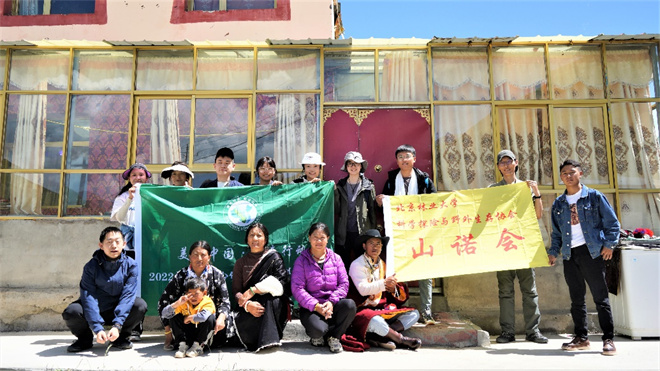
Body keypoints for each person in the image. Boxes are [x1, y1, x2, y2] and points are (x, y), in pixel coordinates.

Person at [548, 159, 620, 356]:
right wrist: (553, 251)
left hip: (593, 252)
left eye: (572, 172)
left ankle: (608, 339)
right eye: (564, 173)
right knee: (576, 298)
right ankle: (582, 338)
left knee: (600, 297)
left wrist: (609, 245)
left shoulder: (594, 197)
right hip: (570, 254)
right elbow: (556, 233)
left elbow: (612, 223)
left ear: (580, 173)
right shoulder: (559, 203)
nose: (568, 176)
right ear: (561, 178)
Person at [489, 150, 548, 344]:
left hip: (523, 244)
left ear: (516, 163)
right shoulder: (493, 189)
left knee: (529, 290)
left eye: (509, 161)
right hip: (503, 245)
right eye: (502, 162)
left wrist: (537, 193)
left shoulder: (526, 187)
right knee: (505, 291)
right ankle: (507, 332)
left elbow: (537, 215)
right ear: (498, 167)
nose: (506, 165)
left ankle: (533, 331)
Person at [375, 144, 437, 325]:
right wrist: (380, 201)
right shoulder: (391, 180)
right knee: (399, 271)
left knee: (425, 270)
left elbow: (434, 203)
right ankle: (402, 308)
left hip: (421, 232)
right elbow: (384, 205)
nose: (404, 159)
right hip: (399, 233)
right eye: (400, 156)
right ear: (397, 161)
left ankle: (426, 311)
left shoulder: (425, 180)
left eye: (407, 156)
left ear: (414, 159)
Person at [61, 226, 148, 353]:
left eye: (117, 242)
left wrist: (117, 325)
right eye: (109, 242)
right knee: (71, 311)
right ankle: (84, 340)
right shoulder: (91, 266)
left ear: (124, 244)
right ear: (101, 245)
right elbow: (88, 296)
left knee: (139, 305)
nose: (114, 245)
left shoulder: (131, 265)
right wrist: (97, 327)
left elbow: (127, 296)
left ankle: (121, 337)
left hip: (116, 311)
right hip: (96, 309)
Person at [347, 229, 422, 351]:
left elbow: (396, 291)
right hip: (364, 309)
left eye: (378, 244)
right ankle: (400, 339)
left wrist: (393, 289)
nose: (375, 247)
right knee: (375, 321)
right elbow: (363, 290)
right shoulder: (357, 264)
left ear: (382, 247)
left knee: (414, 314)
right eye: (371, 243)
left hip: (383, 309)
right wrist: (384, 284)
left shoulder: (384, 265)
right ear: (364, 246)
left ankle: (379, 336)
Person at [291, 222, 357, 353]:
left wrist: (331, 302)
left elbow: (344, 284)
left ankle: (334, 337)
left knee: (349, 305)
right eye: (315, 237)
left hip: (332, 305)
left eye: (322, 237)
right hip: (311, 308)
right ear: (309, 238)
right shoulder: (301, 260)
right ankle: (320, 335)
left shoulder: (336, 259)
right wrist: (316, 306)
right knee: (318, 330)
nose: (318, 241)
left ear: (328, 238)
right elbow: (297, 288)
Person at [158, 241, 231, 351]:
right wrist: (168, 332)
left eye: (203, 255)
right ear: (189, 257)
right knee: (173, 311)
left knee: (212, 317)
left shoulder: (217, 275)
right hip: (185, 323)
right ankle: (182, 342)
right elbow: (163, 302)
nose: (199, 259)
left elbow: (225, 302)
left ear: (209, 257)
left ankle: (201, 344)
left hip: (207, 325)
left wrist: (221, 318)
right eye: (195, 255)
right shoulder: (181, 276)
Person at [232, 223, 290, 352]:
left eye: (259, 235)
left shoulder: (274, 258)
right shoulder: (240, 263)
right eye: (252, 235)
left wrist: (254, 290)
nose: (255, 239)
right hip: (249, 307)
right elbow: (236, 292)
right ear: (247, 239)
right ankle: (259, 339)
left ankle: (269, 339)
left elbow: (281, 285)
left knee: (271, 300)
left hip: (272, 307)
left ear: (265, 239)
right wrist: (247, 305)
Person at [334, 151, 377, 268]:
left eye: (356, 164)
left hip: (362, 232)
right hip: (344, 233)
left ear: (361, 166)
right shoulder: (340, 186)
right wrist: (335, 193)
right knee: (344, 265)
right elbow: (336, 210)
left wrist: (372, 234)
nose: (353, 167)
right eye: (350, 164)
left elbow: (372, 211)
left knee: (363, 265)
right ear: (346, 167)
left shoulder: (368, 186)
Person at [161, 277, 216, 358]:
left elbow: (203, 317)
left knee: (210, 318)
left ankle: (198, 347)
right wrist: (176, 304)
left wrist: (189, 318)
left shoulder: (207, 302)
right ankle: (183, 345)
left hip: (201, 335)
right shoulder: (184, 301)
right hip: (188, 333)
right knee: (173, 315)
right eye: (190, 294)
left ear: (204, 293)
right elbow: (164, 314)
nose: (193, 297)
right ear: (186, 293)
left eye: (196, 294)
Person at [111, 162, 151, 250]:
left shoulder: (151, 197)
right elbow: (120, 218)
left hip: (147, 239)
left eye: (141, 175)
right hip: (127, 241)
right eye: (134, 175)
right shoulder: (122, 197)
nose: (138, 178)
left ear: (146, 178)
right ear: (129, 178)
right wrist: (130, 199)